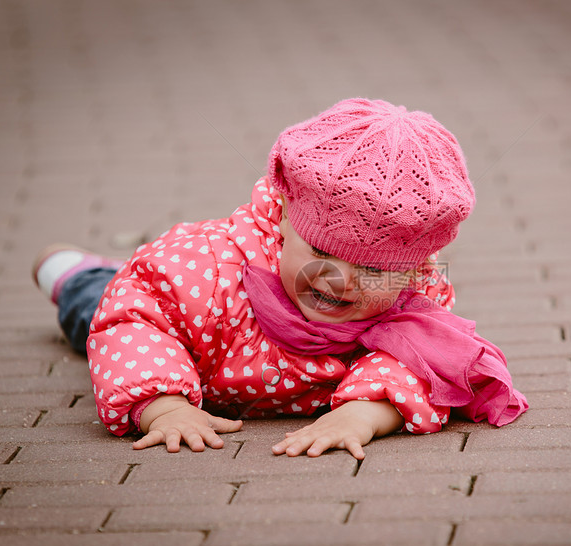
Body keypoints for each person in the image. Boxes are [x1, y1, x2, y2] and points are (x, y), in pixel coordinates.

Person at [32, 98, 528, 459]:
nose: (340, 281)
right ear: (284, 214)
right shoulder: (207, 268)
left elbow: (417, 364)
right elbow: (137, 322)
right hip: (178, 334)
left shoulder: (413, 299)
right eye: (321, 252)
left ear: (413, 270)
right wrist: (163, 408)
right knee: (98, 305)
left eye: (374, 270)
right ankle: (73, 273)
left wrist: (363, 414)